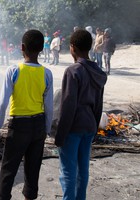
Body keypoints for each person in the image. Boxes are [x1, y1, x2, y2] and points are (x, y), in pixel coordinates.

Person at [0, 29, 54, 200]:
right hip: (38, 126)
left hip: (18, 126)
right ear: (41, 48)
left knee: (8, 169)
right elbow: (49, 107)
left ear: (22, 47)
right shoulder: (46, 73)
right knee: (33, 169)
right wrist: (46, 130)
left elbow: (3, 103)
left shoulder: (14, 71)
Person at [54, 29, 107, 200]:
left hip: (73, 128)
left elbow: (68, 106)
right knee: (83, 170)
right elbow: (99, 104)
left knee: (68, 171)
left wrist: (60, 135)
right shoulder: (98, 72)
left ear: (72, 48)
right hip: (89, 126)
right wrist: (95, 128)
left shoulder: (73, 71)